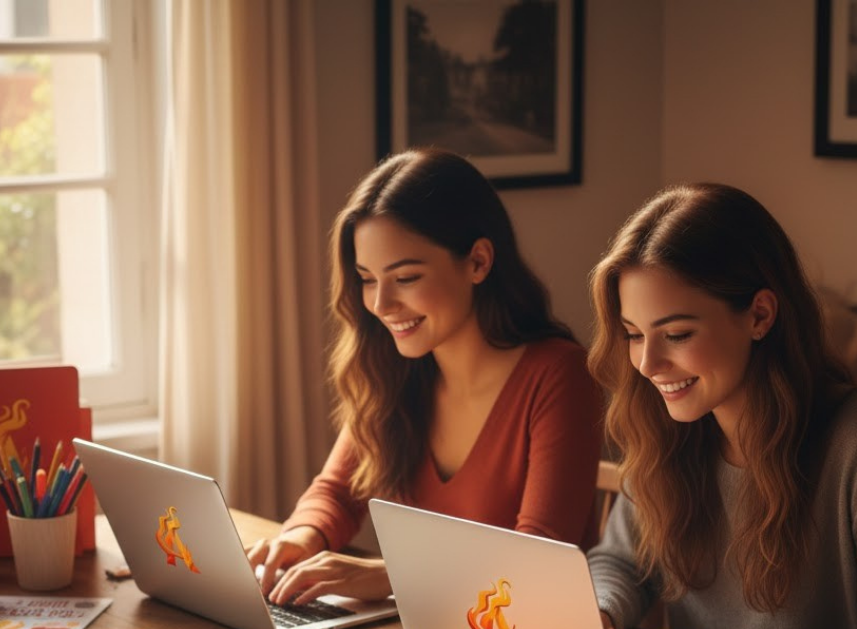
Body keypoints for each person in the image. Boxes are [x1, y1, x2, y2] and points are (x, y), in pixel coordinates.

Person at [586, 182, 857, 629]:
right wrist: (600, 613)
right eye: (633, 333)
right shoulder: (670, 425)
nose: (647, 365)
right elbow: (623, 562)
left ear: (760, 315)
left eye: (676, 334)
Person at [248, 148, 602, 605]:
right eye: (368, 279)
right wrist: (300, 537)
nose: (380, 305)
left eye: (406, 277)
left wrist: (391, 576)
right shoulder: (394, 368)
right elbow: (336, 492)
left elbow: (536, 554)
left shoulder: (558, 375)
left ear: (478, 262)